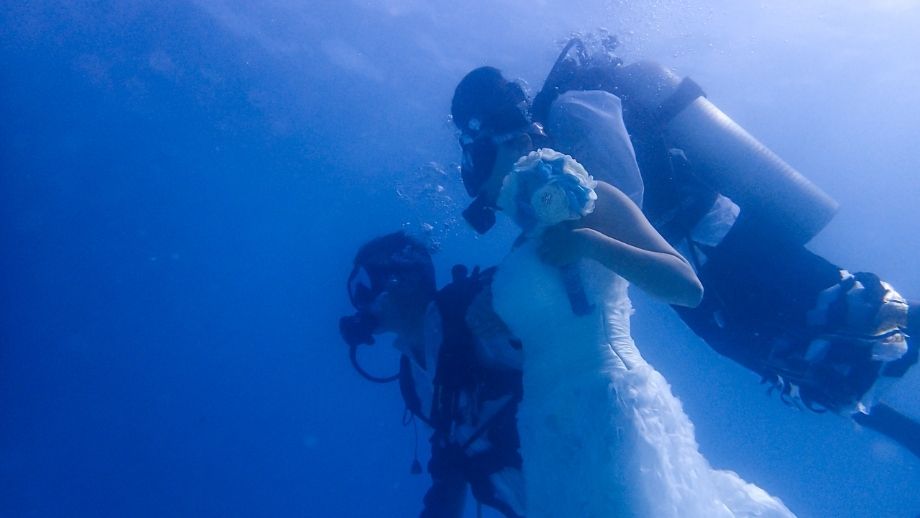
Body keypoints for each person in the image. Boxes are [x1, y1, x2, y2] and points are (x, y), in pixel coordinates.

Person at [450, 40, 919, 455]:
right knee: (809, 365)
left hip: (729, 244)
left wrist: (550, 249)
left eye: (512, 144)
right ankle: (904, 433)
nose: (512, 192)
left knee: (850, 315)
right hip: (696, 278)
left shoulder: (573, 110)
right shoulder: (541, 154)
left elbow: (620, 194)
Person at [481, 141, 794, 514]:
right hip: (546, 430)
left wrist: (588, 242)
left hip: (609, 405)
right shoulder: (521, 246)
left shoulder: (590, 200)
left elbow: (686, 287)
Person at [338, 232, 525, 518]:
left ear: (406, 278)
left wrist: (505, 301)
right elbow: (450, 465)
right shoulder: (413, 380)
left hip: (585, 470)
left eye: (364, 285)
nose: (360, 304)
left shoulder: (470, 313)